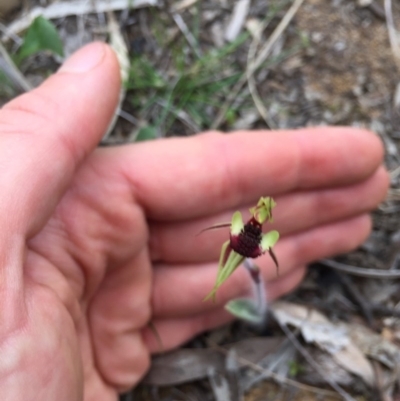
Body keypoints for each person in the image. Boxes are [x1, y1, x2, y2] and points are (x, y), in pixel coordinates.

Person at [0, 42, 388, 400]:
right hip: (232, 248)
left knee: (233, 271)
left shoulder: (255, 230)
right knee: (226, 270)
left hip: (241, 248)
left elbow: (256, 243)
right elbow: (233, 231)